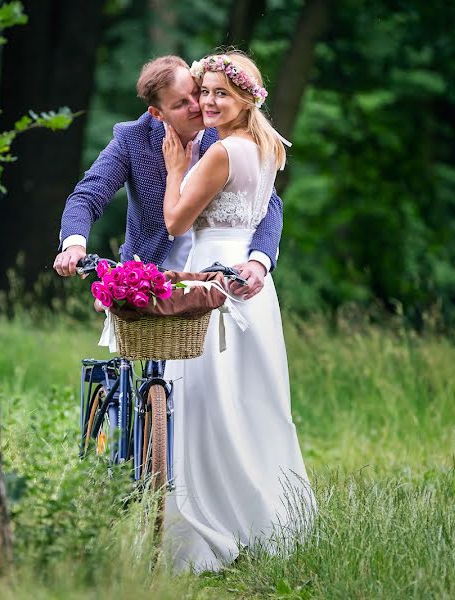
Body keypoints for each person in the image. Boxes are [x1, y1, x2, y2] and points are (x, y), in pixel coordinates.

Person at [160, 51, 316, 573]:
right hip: (252, 290)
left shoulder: (222, 152)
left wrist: (176, 170)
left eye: (219, 94)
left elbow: (179, 222)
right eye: (203, 92)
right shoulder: (270, 147)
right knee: (252, 398)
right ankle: (268, 521)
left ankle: (212, 525)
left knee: (206, 399)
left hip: (212, 276)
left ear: (247, 97)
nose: (206, 102)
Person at [53, 55, 284, 298]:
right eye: (181, 104)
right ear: (157, 113)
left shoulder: (225, 133)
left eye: (196, 92)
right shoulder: (133, 139)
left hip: (214, 275)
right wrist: (74, 245)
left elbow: (269, 202)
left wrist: (259, 261)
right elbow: (87, 196)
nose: (198, 105)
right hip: (148, 282)